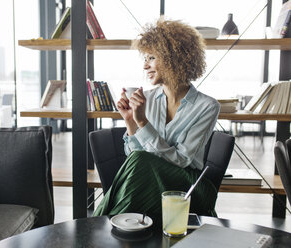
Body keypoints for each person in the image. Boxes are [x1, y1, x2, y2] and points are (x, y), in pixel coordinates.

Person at [93, 18, 220, 218]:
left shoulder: (207, 107)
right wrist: (130, 122)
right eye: (145, 58)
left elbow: (182, 160)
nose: (145, 66)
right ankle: (107, 224)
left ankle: (100, 223)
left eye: (151, 58)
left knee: (141, 161)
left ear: (174, 58)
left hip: (188, 186)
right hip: (148, 180)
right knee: (139, 159)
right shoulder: (148, 99)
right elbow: (133, 156)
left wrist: (142, 122)